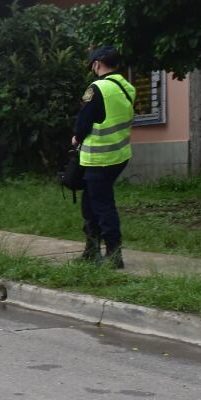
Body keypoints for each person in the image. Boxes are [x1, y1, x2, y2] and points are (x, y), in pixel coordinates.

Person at [72, 45, 135, 268]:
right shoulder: (127, 87)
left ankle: (114, 254)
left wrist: (76, 137)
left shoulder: (97, 88)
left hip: (99, 157)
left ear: (97, 64)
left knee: (101, 204)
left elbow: (84, 119)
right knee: (90, 202)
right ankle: (91, 249)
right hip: (119, 154)